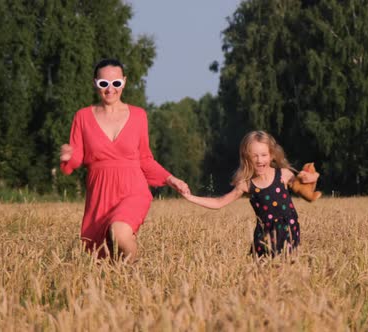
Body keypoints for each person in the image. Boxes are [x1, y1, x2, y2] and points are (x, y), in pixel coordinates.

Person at [60, 58, 189, 262]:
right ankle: (125, 288)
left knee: (119, 232)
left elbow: (145, 159)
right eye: (104, 83)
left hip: (133, 189)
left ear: (124, 82)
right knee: (104, 259)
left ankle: (136, 274)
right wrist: (68, 156)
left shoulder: (138, 116)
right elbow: (77, 158)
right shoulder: (83, 117)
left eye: (116, 83)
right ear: (95, 83)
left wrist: (171, 179)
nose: (110, 89)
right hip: (100, 195)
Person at [181, 130, 319, 257]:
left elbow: (305, 190)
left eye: (264, 155)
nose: (259, 160)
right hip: (264, 238)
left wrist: (312, 178)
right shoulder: (246, 185)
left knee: (286, 275)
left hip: (289, 232)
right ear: (246, 158)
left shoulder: (284, 175)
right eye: (254, 156)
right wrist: (190, 197)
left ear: (271, 155)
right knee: (263, 278)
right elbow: (219, 202)